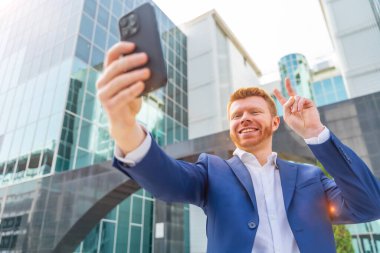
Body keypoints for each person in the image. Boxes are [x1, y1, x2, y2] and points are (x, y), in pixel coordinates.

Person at [96, 42, 380, 253]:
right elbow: (166, 180)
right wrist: (124, 127)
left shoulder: (310, 177)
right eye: (236, 115)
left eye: (254, 112)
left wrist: (315, 133)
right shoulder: (212, 171)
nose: (244, 118)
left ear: (275, 122)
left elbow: (369, 205)